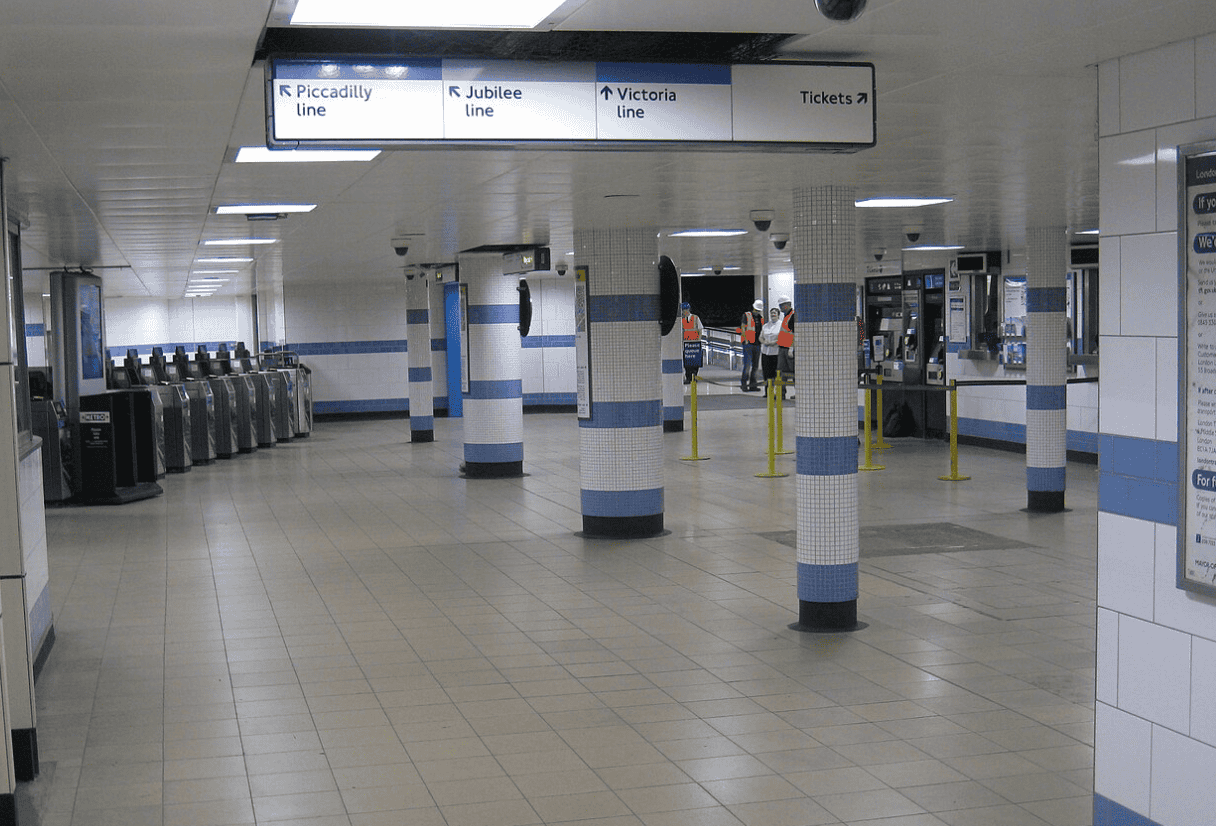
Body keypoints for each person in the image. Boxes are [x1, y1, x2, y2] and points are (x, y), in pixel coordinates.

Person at [737, 298, 764, 391]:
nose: (757, 311)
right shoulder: (746, 315)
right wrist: (746, 340)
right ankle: (744, 384)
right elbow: (743, 328)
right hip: (748, 344)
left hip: (757, 344)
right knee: (747, 365)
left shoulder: (761, 318)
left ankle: (753, 384)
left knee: (755, 366)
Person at [680, 302, 704, 384]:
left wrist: (698, 340)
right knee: (687, 362)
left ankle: (694, 376)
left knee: (695, 362)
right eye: (682, 310)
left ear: (688, 310)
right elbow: (682, 332)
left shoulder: (695, 318)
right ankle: (688, 377)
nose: (683, 312)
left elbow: (700, 329)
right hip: (686, 344)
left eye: (684, 310)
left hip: (695, 343)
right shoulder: (682, 320)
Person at [759, 306, 782, 389]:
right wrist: (764, 342)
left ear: (778, 315)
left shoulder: (781, 325)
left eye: (774, 313)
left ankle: (778, 392)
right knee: (766, 373)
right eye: (771, 313)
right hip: (765, 352)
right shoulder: (766, 325)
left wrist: (774, 343)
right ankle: (768, 391)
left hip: (776, 352)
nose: (773, 314)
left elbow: (783, 338)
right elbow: (760, 337)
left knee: (775, 373)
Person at [777, 295, 795, 395]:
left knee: (793, 372)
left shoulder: (793, 316)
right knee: (780, 371)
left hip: (789, 349)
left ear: (787, 305)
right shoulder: (786, 316)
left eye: (781, 306)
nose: (780, 308)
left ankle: (798, 393)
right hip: (782, 348)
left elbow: (794, 333)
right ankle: (781, 393)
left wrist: (791, 348)